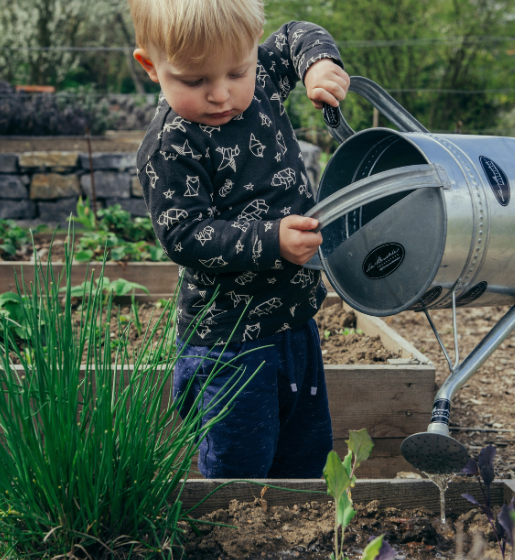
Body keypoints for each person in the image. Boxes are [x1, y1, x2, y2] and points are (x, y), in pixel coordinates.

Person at [129, 0, 350, 478]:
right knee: (241, 469)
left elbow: (295, 35)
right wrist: (271, 240)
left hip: (296, 324)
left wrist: (319, 65)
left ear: (251, 51)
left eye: (237, 71)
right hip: (229, 344)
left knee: (306, 456)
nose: (221, 94)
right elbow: (183, 234)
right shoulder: (173, 145)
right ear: (151, 66)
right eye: (194, 80)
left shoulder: (263, 78)